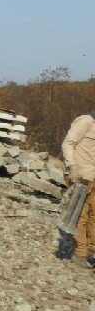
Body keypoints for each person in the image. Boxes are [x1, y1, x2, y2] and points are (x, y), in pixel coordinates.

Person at [62, 111, 95, 265]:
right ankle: (81, 253)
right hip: (83, 176)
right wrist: (72, 166)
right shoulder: (86, 121)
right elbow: (68, 143)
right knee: (80, 215)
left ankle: (91, 251)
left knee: (93, 216)